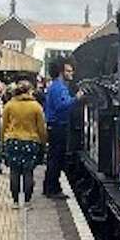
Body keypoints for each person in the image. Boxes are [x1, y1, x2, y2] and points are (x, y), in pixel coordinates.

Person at [1, 80, 47, 206]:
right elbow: (41, 128)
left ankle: (15, 201)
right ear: (29, 91)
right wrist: (43, 141)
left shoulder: (9, 105)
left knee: (14, 172)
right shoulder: (36, 106)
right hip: (31, 142)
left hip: (12, 141)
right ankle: (27, 201)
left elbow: (4, 126)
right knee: (28, 172)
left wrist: (3, 141)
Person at [42, 59, 82, 198]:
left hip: (56, 125)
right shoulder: (59, 87)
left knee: (54, 157)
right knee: (56, 158)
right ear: (61, 72)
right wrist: (76, 98)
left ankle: (50, 186)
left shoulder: (56, 86)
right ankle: (52, 189)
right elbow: (61, 105)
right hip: (58, 125)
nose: (72, 74)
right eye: (68, 71)